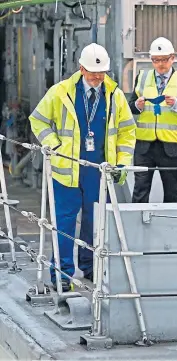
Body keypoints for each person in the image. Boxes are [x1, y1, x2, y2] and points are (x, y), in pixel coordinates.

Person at [29, 43, 136, 291]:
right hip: (67, 170)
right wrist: (54, 146)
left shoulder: (114, 95)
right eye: (92, 72)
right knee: (64, 223)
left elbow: (127, 131)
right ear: (81, 68)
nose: (98, 77)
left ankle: (90, 268)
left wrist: (122, 163)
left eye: (102, 72)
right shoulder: (61, 92)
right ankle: (62, 276)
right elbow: (38, 119)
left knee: (94, 222)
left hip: (98, 171)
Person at [128, 37, 177, 203]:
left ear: (172, 58)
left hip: (172, 147)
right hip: (144, 146)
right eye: (156, 60)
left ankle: (171, 227)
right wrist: (137, 106)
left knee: (172, 190)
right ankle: (137, 227)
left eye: (164, 60)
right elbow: (129, 106)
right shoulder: (142, 77)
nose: (160, 64)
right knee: (140, 189)